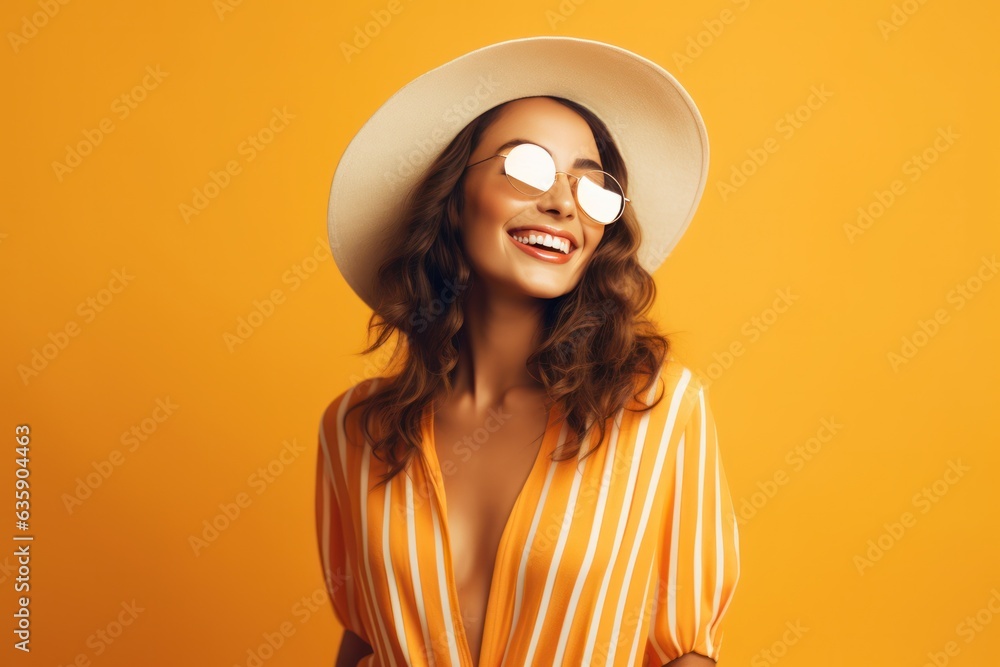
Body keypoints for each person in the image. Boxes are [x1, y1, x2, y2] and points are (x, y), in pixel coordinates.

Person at [315, 37, 740, 667]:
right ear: (454, 199)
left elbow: (686, 656)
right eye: (528, 168)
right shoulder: (354, 429)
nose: (564, 203)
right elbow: (363, 638)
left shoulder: (658, 409)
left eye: (592, 189)